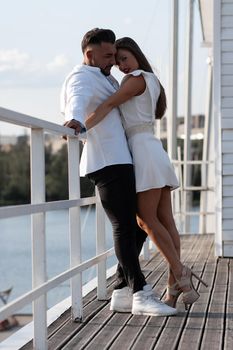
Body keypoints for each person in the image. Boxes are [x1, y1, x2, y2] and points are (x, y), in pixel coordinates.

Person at [85, 36, 208, 309]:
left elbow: (107, 106)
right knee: (165, 220)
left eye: (125, 58)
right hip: (153, 148)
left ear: (137, 56)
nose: (122, 66)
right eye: (118, 62)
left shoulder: (135, 79)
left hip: (142, 151)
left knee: (146, 220)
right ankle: (173, 286)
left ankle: (179, 271)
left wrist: (82, 126)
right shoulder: (152, 81)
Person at [61, 28, 177, 316]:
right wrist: (74, 120)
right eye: (109, 55)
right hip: (106, 160)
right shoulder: (82, 76)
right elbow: (76, 98)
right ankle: (140, 292)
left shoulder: (110, 76)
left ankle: (122, 291)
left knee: (136, 225)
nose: (113, 61)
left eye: (117, 56)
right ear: (90, 54)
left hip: (123, 159)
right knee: (126, 226)